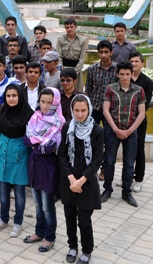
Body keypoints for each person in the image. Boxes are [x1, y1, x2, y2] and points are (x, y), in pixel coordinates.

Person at [58, 95, 104, 264]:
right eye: (76, 110)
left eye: (83, 110)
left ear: (89, 110)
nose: (79, 114)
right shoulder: (67, 127)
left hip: (87, 182)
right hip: (69, 181)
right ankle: (72, 246)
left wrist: (81, 181)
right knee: (69, 217)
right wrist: (72, 179)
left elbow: (97, 160)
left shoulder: (97, 131)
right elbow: (62, 154)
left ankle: (87, 250)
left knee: (84, 220)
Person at [23, 88, 64, 251]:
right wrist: (38, 143)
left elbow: (49, 148)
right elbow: (25, 139)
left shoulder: (58, 123)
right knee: (38, 204)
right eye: (42, 102)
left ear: (56, 103)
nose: (45, 106)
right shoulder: (35, 117)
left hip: (48, 167)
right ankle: (39, 232)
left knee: (47, 206)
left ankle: (49, 237)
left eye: (49, 103)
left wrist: (35, 143)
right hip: (34, 165)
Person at [101, 61, 146, 207]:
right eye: (122, 74)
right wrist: (115, 129)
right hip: (112, 131)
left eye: (127, 74)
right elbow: (106, 110)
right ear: (117, 74)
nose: (125, 77)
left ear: (131, 74)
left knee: (129, 164)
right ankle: (107, 189)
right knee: (109, 162)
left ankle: (127, 192)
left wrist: (130, 130)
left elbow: (141, 113)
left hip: (131, 132)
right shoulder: (110, 89)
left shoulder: (139, 91)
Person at [0, 84, 33, 237]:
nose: (11, 99)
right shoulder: (3, 110)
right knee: (3, 192)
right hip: (3, 155)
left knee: (19, 193)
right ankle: (3, 219)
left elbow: (32, 139)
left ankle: (18, 222)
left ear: (20, 96)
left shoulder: (29, 114)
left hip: (20, 157)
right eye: (8, 96)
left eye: (14, 96)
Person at [128, 52, 153, 194]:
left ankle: (138, 179)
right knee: (127, 150)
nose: (134, 64)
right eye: (131, 61)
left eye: (137, 61)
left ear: (142, 63)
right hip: (124, 120)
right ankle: (128, 177)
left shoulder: (148, 83)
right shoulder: (124, 78)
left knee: (139, 150)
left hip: (139, 121)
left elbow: (146, 105)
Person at [85, 40, 117, 128]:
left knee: (109, 134)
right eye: (101, 52)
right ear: (98, 53)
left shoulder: (117, 69)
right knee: (93, 132)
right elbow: (88, 88)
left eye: (106, 52)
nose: (103, 55)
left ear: (111, 52)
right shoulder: (92, 69)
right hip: (94, 107)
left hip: (111, 109)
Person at [57, 18, 89, 90]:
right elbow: (59, 56)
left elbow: (82, 58)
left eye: (71, 27)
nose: (69, 29)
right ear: (65, 28)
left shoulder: (82, 40)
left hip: (77, 71)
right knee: (63, 91)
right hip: (64, 69)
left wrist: (75, 72)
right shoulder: (60, 40)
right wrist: (63, 70)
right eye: (67, 27)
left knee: (77, 91)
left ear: (76, 27)